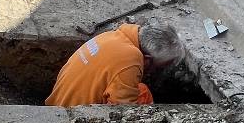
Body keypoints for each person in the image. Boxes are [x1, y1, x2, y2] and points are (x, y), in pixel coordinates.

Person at [45, 22, 185, 107]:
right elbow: (123, 111)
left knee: (139, 89)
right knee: (143, 94)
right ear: (147, 59)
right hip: (74, 118)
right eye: (159, 67)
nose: (155, 72)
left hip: (59, 102)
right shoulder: (130, 59)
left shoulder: (114, 36)